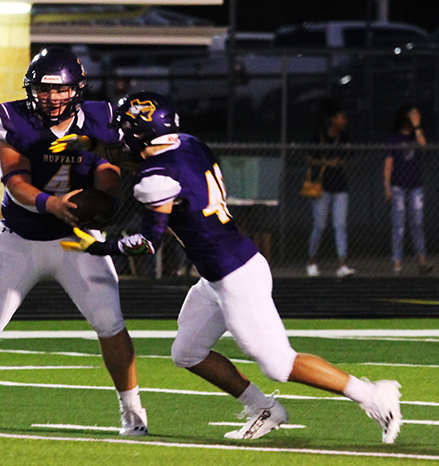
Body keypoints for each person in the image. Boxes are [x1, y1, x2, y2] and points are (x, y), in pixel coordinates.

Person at [59, 91, 402, 443]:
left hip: (236, 276)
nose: (118, 135)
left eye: (124, 129)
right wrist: (88, 147)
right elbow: (144, 161)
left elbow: (149, 241)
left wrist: (99, 245)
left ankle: (373, 395)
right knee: (187, 351)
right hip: (222, 271)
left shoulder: (155, 180)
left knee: (279, 363)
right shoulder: (189, 145)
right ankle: (263, 408)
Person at [0, 47, 148, 436]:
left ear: (78, 89)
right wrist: (53, 203)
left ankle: (133, 412)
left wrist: (103, 202)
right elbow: (15, 180)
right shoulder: (11, 118)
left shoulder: (101, 118)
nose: (51, 99)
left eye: (60, 91)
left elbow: (107, 172)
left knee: (109, 321)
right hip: (21, 236)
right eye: (44, 90)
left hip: (78, 239)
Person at [306, 99, 355, 278]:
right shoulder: (319, 137)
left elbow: (347, 159)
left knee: (340, 225)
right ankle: (311, 261)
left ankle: (342, 264)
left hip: (340, 187)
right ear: (333, 119)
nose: (344, 120)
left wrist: (341, 163)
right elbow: (309, 159)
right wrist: (327, 162)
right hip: (322, 186)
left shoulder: (345, 139)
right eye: (341, 117)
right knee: (319, 225)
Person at [384, 103, 433, 276]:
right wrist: (387, 187)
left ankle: (422, 261)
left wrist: (417, 126)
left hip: (415, 186)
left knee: (417, 223)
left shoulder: (415, 134)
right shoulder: (394, 137)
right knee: (399, 226)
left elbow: (424, 147)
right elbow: (388, 164)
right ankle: (397, 263)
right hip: (398, 186)